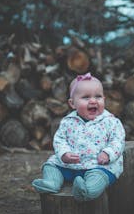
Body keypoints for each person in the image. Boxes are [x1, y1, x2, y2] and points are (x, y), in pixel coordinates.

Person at [32, 73, 125, 201]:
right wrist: (65, 154)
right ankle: (52, 183)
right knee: (51, 165)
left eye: (98, 96)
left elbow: (118, 141)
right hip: (69, 165)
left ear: (104, 98)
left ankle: (87, 190)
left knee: (100, 176)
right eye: (86, 97)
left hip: (97, 165)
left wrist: (107, 153)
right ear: (72, 103)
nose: (93, 101)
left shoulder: (111, 122)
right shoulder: (67, 121)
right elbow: (60, 140)